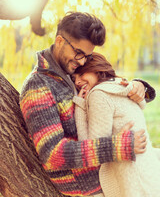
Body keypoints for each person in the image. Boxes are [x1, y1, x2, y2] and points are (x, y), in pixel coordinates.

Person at [20, 12, 155, 197]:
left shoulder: (71, 70)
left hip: (114, 177)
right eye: (79, 53)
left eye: (87, 55)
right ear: (59, 41)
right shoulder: (38, 86)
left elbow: (107, 87)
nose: (83, 61)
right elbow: (53, 155)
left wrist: (140, 86)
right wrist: (115, 147)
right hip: (90, 191)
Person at [72, 52, 160, 197]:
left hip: (132, 180)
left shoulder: (99, 94)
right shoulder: (121, 87)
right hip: (149, 173)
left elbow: (92, 150)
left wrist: (80, 108)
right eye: (74, 78)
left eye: (81, 74)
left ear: (96, 68)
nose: (77, 82)